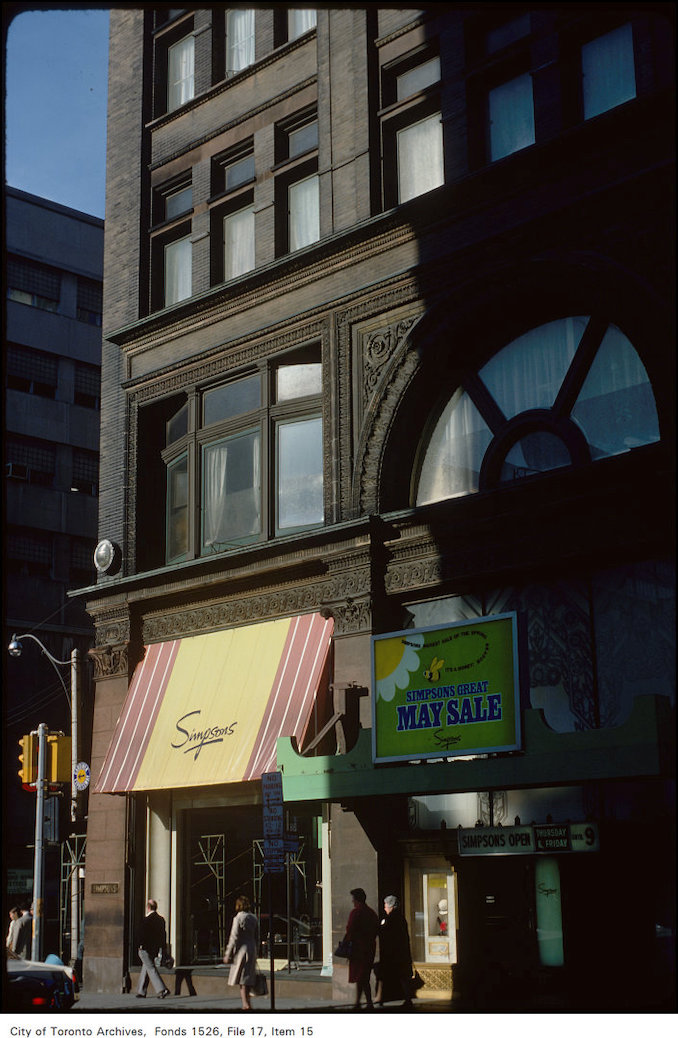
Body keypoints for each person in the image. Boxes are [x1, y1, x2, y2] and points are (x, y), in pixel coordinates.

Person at [343, 887, 379, 1009]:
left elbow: (350, 929)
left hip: (358, 949)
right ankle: (359, 1001)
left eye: (353, 899)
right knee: (364, 976)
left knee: (361, 976)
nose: (352, 902)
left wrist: (347, 944)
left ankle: (367, 1002)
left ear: (357, 900)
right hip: (369, 948)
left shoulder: (356, 913)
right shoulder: (371, 913)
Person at [375, 894, 413, 1008]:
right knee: (402, 976)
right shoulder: (400, 918)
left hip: (393, 953)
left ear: (391, 906)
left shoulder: (390, 918)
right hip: (400, 953)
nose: (384, 908)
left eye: (386, 905)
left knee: (385, 975)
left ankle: (380, 997)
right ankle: (406, 998)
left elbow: (385, 933)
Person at [223, 895, 259, 1011]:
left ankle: (245, 1004)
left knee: (242, 979)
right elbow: (257, 936)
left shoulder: (238, 918)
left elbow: (233, 937)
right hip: (251, 948)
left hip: (241, 950)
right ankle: (247, 1001)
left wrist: (228, 953)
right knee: (247, 977)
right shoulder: (253, 918)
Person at [136, 899, 170, 999]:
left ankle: (162, 990)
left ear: (148, 907)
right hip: (154, 949)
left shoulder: (146, 920)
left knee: (150, 968)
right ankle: (141, 991)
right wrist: (163, 948)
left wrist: (140, 945)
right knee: (146, 967)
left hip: (145, 949)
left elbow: (141, 935)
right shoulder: (161, 919)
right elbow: (163, 935)